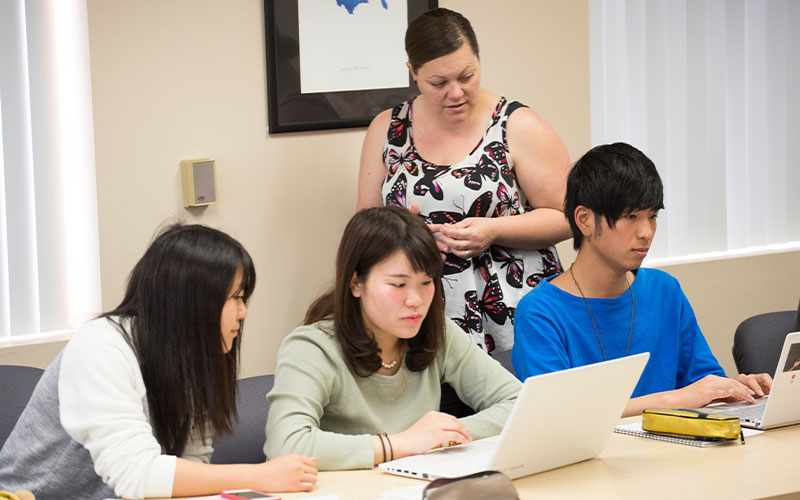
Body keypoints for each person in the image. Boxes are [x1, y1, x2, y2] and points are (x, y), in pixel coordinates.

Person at [0, 224, 317, 499]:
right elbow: (135, 474)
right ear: (192, 300)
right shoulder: (101, 346)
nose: (243, 311)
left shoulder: (195, 356)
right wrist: (258, 476)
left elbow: (191, 462)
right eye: (234, 297)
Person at [357, 7, 572, 354]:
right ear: (413, 73)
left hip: (512, 307)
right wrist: (404, 234)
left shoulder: (517, 125)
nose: (455, 93)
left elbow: (568, 216)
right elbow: (363, 225)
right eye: (438, 84)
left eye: (467, 76)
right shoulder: (388, 129)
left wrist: (494, 230)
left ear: (478, 56)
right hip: (418, 309)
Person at [511, 142, 773, 416]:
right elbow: (557, 416)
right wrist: (673, 400)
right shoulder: (540, 313)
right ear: (585, 220)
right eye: (631, 216)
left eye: (653, 216)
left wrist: (733, 390)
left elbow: (702, 384)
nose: (647, 231)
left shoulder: (664, 290)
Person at [264, 206, 521, 470]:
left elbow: (518, 404)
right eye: (398, 285)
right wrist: (402, 443)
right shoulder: (312, 347)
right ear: (355, 283)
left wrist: (442, 435)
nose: (415, 301)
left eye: (426, 282)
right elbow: (286, 445)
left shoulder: (436, 331)